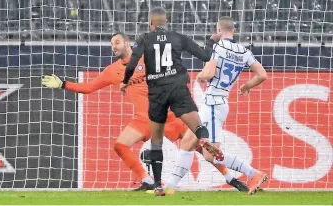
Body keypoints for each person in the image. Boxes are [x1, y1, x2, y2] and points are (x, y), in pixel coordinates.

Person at [42, 32, 247, 192]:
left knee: (201, 147)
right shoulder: (112, 71)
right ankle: (147, 181)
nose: (114, 47)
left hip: (167, 116)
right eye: (112, 44)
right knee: (120, 146)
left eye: (117, 42)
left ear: (128, 43)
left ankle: (231, 178)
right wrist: (63, 84)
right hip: (142, 119)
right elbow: (89, 88)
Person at [120, 7, 223, 196]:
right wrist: (211, 40)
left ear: (151, 23)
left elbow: (132, 64)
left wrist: (125, 82)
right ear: (165, 22)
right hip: (177, 87)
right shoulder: (178, 37)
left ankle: (158, 185)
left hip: (157, 92)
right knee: (196, 125)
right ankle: (205, 138)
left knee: (156, 140)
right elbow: (205, 56)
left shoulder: (144, 39)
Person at [189, 16, 267, 194]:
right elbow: (262, 74)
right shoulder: (244, 51)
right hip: (220, 100)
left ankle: (253, 173)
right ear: (235, 31)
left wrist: (201, 76)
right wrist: (247, 85)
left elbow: (208, 73)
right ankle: (169, 185)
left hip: (214, 103)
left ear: (218, 30)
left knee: (211, 154)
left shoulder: (218, 47)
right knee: (189, 141)